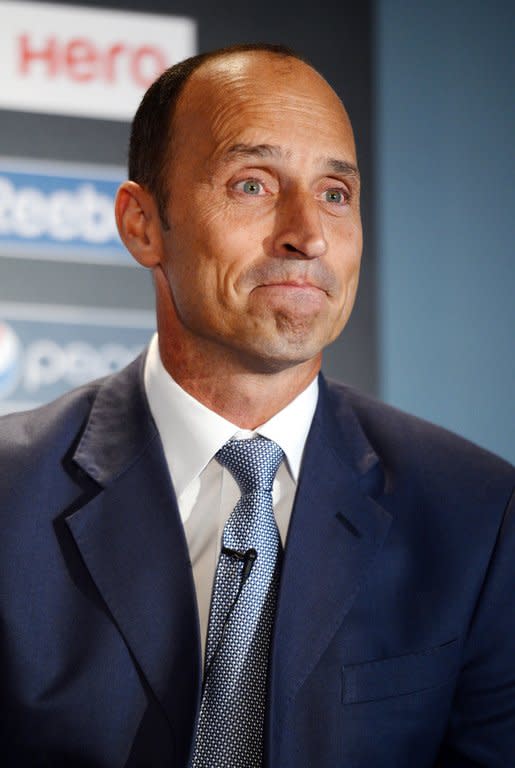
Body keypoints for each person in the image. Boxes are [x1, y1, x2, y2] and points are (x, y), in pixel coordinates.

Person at [0, 43, 513, 768]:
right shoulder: (7, 496)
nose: (307, 234)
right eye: (252, 185)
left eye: (335, 193)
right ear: (143, 223)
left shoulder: (477, 515)